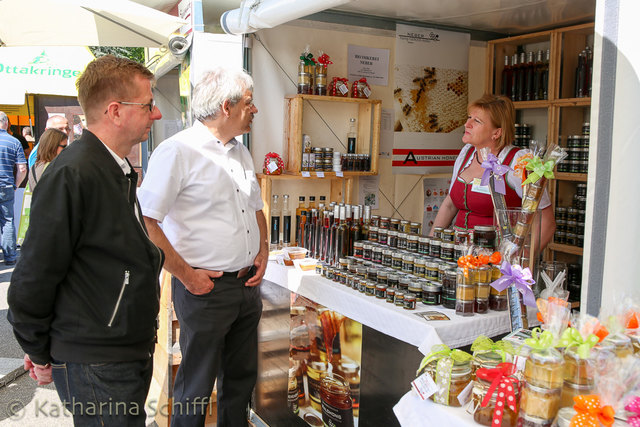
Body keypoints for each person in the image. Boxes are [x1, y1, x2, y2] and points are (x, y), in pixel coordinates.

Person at [8, 55, 164, 426]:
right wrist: (39, 350)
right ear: (115, 111)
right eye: (148, 105)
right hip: (98, 357)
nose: (155, 115)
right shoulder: (75, 173)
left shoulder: (111, 167)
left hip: (117, 352)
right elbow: (33, 277)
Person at [139, 66, 267, 427]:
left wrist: (263, 250)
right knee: (195, 388)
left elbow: (255, 206)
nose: (254, 109)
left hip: (246, 286)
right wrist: (188, 276)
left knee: (241, 383)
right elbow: (147, 222)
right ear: (226, 107)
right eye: (249, 102)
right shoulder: (177, 151)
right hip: (205, 290)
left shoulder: (240, 151)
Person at [430, 94, 555, 248]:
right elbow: (450, 204)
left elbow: (546, 222)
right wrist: (432, 243)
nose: (467, 124)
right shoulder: (467, 153)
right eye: (469, 117)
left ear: (496, 133)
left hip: (494, 259)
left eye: (476, 121)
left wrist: (519, 262)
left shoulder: (518, 162)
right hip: (459, 254)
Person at [0, 112, 27, 265]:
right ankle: (10, 257)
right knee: (7, 221)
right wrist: (16, 185)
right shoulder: (14, 141)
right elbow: (22, 168)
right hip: (7, 186)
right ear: (6, 123)